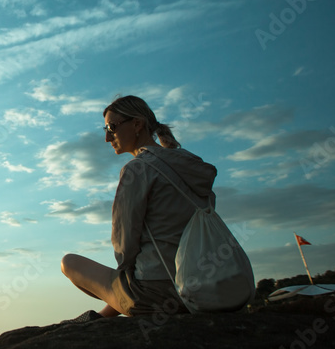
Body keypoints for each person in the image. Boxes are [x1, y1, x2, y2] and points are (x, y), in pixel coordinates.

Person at [60, 95, 218, 321]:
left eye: (111, 127)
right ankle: (101, 317)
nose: (106, 137)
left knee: (69, 263)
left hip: (163, 294)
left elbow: (124, 247)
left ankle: (99, 319)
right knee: (131, 276)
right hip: (206, 284)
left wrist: (133, 268)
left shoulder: (137, 170)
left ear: (137, 124)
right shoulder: (192, 164)